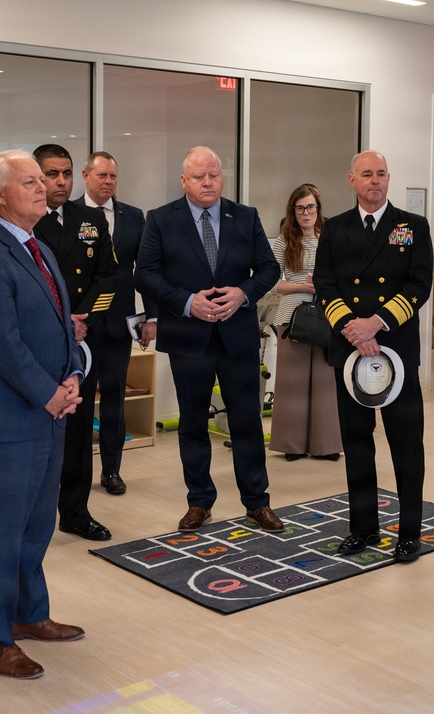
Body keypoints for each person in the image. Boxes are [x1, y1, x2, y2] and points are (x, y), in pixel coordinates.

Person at [0, 149, 86, 680]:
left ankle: (30, 616)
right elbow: (0, 345)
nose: (43, 187)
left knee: (37, 526)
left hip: (48, 413)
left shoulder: (39, 248)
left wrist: (74, 373)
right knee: (3, 531)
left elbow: (63, 326)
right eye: (29, 181)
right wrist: (49, 393)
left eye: (44, 179)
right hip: (6, 420)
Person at [134, 146, 283, 533]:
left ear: (222, 177)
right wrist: (186, 302)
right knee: (193, 425)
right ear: (184, 180)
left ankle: (257, 502)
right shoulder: (161, 219)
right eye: (198, 176)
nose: (207, 182)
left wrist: (243, 293)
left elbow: (269, 267)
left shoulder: (245, 216)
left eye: (213, 175)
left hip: (238, 338)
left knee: (247, 422)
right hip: (189, 338)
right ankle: (199, 502)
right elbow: (146, 274)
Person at [314, 150, 434, 563]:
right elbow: (325, 285)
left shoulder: (411, 225)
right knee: (357, 442)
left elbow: (420, 285)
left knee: (406, 444)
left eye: (381, 173)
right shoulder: (335, 228)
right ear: (352, 180)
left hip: (395, 349)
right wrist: (353, 327)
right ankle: (362, 527)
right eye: (367, 174)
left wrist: (377, 323)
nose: (375, 180)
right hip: (351, 352)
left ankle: (410, 533)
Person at [33, 144, 118, 541]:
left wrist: (83, 319)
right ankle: (33, 512)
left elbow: (107, 276)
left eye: (66, 173)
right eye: (52, 174)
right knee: (38, 429)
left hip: (82, 340)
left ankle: (75, 511)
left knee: (80, 429)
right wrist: (64, 321)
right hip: (40, 340)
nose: (61, 181)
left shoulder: (91, 218)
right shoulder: (25, 219)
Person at [72, 151, 157, 495]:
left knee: (113, 400)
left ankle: (111, 471)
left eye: (113, 177)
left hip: (120, 323)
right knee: (78, 401)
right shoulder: (71, 215)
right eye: (102, 176)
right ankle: (76, 471)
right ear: (86, 176)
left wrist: (151, 316)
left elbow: (146, 270)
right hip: (82, 324)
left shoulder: (134, 217)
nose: (108, 182)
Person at [268, 184, 342, 462]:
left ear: (318, 209)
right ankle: (292, 445)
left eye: (310, 207)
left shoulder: (331, 238)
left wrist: (322, 287)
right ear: (293, 211)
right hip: (291, 318)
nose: (306, 213)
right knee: (292, 384)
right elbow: (272, 283)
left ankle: (327, 445)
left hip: (327, 316)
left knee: (326, 384)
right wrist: (303, 286)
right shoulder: (283, 241)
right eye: (300, 208)